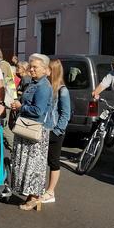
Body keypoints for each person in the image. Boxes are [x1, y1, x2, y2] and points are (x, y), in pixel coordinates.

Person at [9, 53, 52, 211]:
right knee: (27, 163)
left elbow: (38, 110)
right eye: (31, 66)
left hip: (35, 128)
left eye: (35, 67)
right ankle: (30, 195)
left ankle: (34, 197)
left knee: (34, 165)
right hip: (27, 127)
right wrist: (18, 104)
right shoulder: (34, 83)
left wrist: (21, 107)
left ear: (45, 69)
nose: (31, 69)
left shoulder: (43, 86)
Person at [42, 59, 71, 204]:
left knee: (53, 161)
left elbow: (66, 113)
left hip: (54, 131)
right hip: (43, 130)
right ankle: (40, 189)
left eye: (47, 69)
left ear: (53, 71)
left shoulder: (62, 90)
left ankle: (50, 191)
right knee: (41, 161)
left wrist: (58, 131)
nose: (45, 71)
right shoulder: (46, 87)